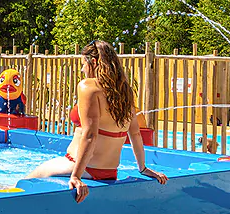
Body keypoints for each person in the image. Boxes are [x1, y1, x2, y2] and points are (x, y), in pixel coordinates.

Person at [27, 40, 168, 203]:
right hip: (110, 171)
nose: (82, 69)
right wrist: (143, 168)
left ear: (93, 62)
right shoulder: (124, 90)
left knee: (24, 182)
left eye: (83, 64)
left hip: (81, 167)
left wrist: (76, 176)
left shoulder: (88, 87)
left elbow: (90, 135)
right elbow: (135, 133)